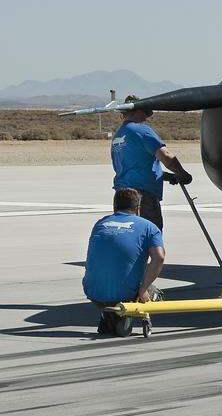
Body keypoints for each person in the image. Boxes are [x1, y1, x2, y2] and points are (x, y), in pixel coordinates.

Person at [82, 188, 165, 334]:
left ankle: (107, 313)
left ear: (115, 207)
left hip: (92, 291)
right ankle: (125, 314)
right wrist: (144, 288)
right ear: (138, 208)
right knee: (155, 292)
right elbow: (159, 257)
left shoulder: (100, 223)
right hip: (124, 293)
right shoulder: (149, 227)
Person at [111, 96, 193, 230]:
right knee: (150, 237)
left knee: (129, 236)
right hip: (141, 195)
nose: (146, 118)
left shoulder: (119, 136)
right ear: (136, 111)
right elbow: (166, 155)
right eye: (144, 113)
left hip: (121, 195)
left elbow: (134, 165)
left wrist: (166, 176)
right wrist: (182, 173)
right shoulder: (141, 130)